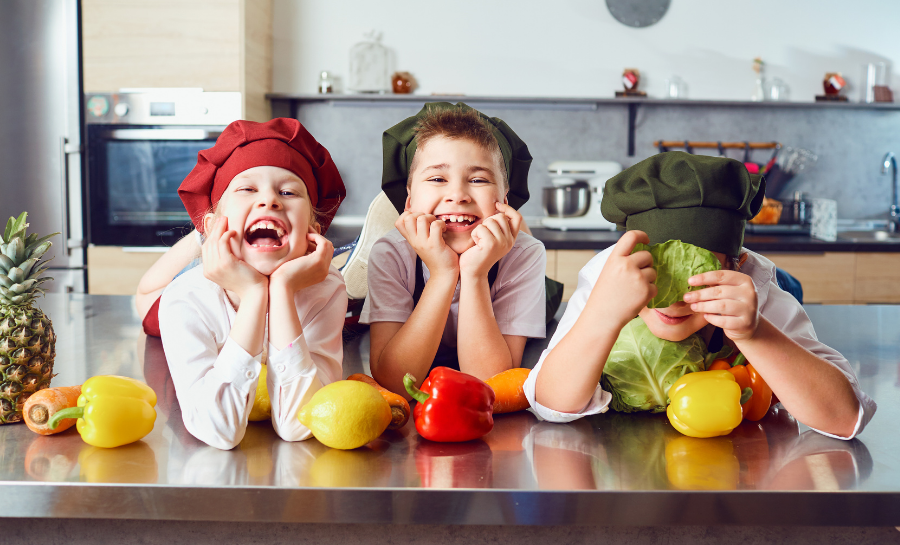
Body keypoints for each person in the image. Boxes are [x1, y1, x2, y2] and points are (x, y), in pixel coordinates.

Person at [525, 152, 876, 440]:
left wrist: (754, 332)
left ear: (739, 267)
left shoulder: (757, 288)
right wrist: (602, 314)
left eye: (698, 277)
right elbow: (550, 403)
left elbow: (846, 418)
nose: (673, 301)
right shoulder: (609, 275)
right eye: (660, 273)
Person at [158, 118, 347, 450]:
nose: (270, 201)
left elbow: (299, 423)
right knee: (148, 293)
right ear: (216, 224)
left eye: (288, 191)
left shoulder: (326, 288)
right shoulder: (184, 298)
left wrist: (283, 290)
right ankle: (192, 245)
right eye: (247, 188)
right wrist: (254, 292)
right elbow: (219, 430)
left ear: (313, 229)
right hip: (171, 294)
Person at [361, 103, 547, 395]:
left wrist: (474, 274)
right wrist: (443, 273)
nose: (458, 195)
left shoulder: (525, 255)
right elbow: (394, 381)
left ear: (504, 199)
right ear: (408, 201)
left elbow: (490, 385)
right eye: (437, 179)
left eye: (478, 180)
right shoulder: (391, 252)